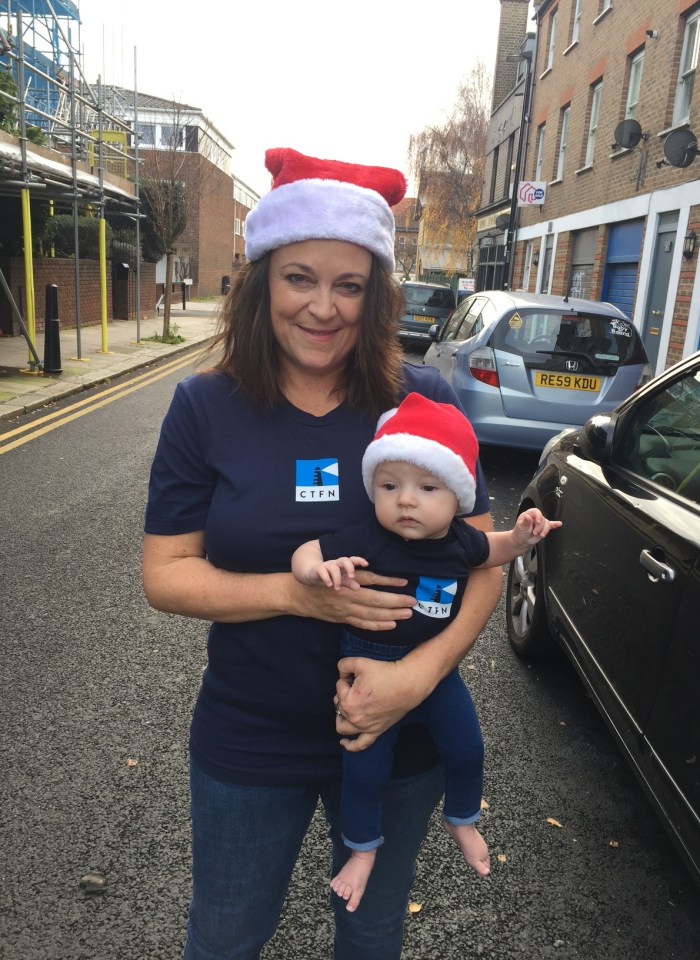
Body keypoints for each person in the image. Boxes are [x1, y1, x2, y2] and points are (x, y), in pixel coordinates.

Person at [142, 146, 504, 960]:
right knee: (227, 935)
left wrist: (417, 677)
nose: (323, 308)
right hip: (250, 733)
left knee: (372, 934)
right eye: (300, 278)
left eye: (349, 286)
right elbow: (165, 574)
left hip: (400, 733)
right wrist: (299, 595)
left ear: (375, 295)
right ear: (263, 278)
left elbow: (483, 555)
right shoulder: (205, 407)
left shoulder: (426, 399)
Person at [292, 392, 561, 912]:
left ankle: (462, 818)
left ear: (458, 496)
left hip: (436, 678)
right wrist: (314, 572)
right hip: (367, 675)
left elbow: (497, 549)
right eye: (389, 486)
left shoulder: (462, 541)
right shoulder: (365, 536)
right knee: (364, 773)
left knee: (467, 748)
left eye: (427, 487)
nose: (406, 500)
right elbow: (308, 549)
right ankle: (363, 851)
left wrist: (525, 537)